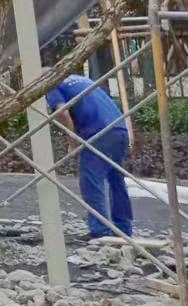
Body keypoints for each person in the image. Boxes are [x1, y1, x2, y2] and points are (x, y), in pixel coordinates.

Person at [45, 73, 133, 239]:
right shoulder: (81, 79)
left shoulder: (51, 84)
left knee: (91, 181)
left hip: (97, 133)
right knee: (116, 181)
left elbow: (62, 112)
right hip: (119, 129)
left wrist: (72, 142)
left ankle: (100, 231)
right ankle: (124, 229)